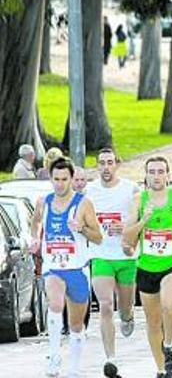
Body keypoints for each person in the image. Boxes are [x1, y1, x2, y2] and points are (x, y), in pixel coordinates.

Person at [122, 156, 172, 378]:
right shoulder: (138, 201)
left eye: (161, 171)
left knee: (169, 304)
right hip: (147, 267)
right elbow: (128, 237)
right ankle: (162, 369)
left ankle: (168, 345)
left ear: (168, 175)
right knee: (153, 321)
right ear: (146, 176)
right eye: (152, 172)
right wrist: (143, 221)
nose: (156, 176)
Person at [32, 157, 103, 378]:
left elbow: (98, 237)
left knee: (75, 325)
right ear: (50, 179)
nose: (60, 184)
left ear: (72, 179)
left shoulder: (83, 204)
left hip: (77, 268)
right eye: (56, 179)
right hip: (53, 266)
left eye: (64, 179)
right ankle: (53, 356)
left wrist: (80, 228)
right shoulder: (43, 202)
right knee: (54, 303)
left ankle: (74, 366)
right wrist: (35, 239)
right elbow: (35, 223)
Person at [85, 148, 140, 378]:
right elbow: (83, 219)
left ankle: (127, 316)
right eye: (101, 163)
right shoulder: (90, 191)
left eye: (110, 162)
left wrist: (125, 227)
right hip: (101, 255)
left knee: (124, 307)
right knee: (106, 305)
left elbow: (139, 218)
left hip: (126, 255)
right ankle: (111, 359)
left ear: (117, 164)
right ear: (97, 166)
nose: (106, 167)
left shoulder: (130, 189)